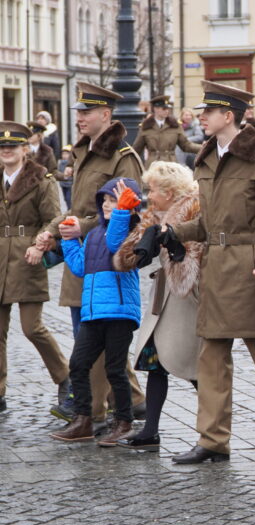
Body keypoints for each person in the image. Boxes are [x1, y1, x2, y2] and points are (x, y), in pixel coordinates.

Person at [161, 80, 255, 464]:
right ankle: (212, 441)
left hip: (251, 266)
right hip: (217, 268)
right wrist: (169, 232)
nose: (200, 118)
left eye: (208, 112)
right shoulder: (206, 158)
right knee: (211, 353)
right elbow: (209, 224)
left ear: (228, 116)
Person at [35, 82, 145, 426]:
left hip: (106, 259)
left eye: (86, 112)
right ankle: (133, 400)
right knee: (95, 333)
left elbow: (129, 212)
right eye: (78, 112)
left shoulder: (123, 158)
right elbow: (76, 207)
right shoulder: (82, 152)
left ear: (106, 115)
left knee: (94, 335)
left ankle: (86, 408)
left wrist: (81, 228)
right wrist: (51, 233)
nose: (79, 118)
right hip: (82, 254)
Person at [113, 161, 203, 452]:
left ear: (169, 191)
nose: (148, 196)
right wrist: (140, 236)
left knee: (192, 366)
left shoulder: (195, 210)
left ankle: (213, 431)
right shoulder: (154, 214)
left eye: (152, 190)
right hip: (161, 297)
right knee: (155, 362)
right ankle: (150, 431)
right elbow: (126, 257)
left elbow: (197, 260)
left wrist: (174, 242)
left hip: (187, 298)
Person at [50, 178, 143, 446]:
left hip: (119, 312)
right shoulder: (93, 234)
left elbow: (116, 246)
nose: (106, 204)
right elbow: (80, 267)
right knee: (78, 365)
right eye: (104, 200)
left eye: (113, 200)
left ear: (129, 205)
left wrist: (123, 213)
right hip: (93, 313)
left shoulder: (131, 232)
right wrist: (70, 240)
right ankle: (84, 420)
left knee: (115, 369)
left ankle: (123, 422)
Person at [0, 123, 70, 413]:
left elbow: (54, 218)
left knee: (32, 328)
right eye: (2, 148)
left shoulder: (41, 179)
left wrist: (40, 243)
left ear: (25, 149)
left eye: (12, 147)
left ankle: (66, 378)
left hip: (27, 259)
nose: (6, 151)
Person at [132, 95, 202, 167]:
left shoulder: (175, 125)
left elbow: (186, 145)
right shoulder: (146, 127)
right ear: (156, 109)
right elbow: (137, 148)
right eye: (164, 108)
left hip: (171, 165)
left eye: (167, 108)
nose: (167, 111)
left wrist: (204, 148)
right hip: (152, 166)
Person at [56, 145, 74, 209]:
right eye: (63, 154)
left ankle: (70, 209)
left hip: (69, 185)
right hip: (63, 184)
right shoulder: (60, 163)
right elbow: (59, 172)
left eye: (66, 154)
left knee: (69, 198)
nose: (64, 155)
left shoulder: (71, 163)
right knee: (65, 199)